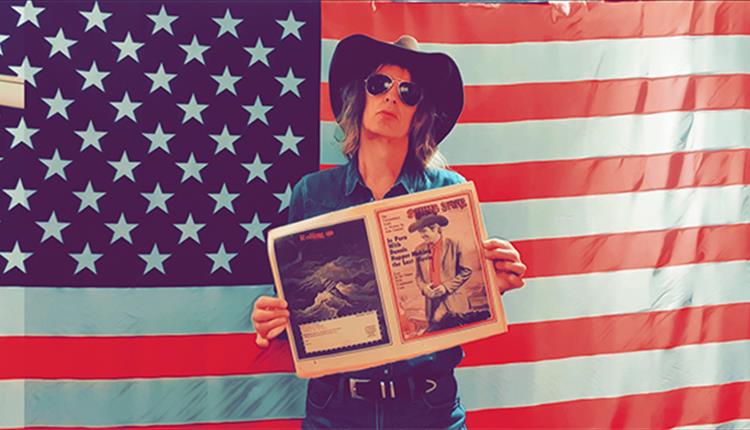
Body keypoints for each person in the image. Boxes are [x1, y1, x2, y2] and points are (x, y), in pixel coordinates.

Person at [252, 34, 527, 429]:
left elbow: (459, 302)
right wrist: (272, 322)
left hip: (428, 409)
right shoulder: (312, 195)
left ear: (420, 114)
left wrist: (490, 286)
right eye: (379, 84)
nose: (392, 97)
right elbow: (298, 310)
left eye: (408, 91)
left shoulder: (449, 192)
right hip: (337, 409)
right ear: (359, 97)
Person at [409, 213, 489, 334]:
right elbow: (418, 277)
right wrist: (425, 288)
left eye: (424, 231)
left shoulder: (454, 244)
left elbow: (466, 271)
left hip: (454, 302)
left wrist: (446, 287)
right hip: (432, 304)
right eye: (419, 232)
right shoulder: (418, 250)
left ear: (436, 228)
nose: (422, 235)